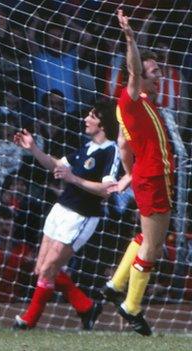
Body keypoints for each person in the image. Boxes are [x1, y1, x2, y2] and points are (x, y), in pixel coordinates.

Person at [12, 99, 120, 330]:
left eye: (91, 116)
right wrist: (33, 148)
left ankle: (29, 321)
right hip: (61, 209)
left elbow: (108, 190)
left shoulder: (111, 151)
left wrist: (73, 179)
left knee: (50, 268)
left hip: (81, 216)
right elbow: (56, 165)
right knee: (41, 269)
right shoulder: (87, 147)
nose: (85, 119)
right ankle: (87, 307)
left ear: (103, 123)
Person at [100, 10, 175, 336]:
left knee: (149, 238)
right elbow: (132, 69)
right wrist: (130, 38)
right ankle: (131, 307)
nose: (159, 76)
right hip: (154, 178)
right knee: (153, 247)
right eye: (153, 72)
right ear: (139, 76)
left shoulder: (144, 102)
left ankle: (116, 285)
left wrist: (129, 174)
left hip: (149, 176)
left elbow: (123, 144)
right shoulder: (130, 98)